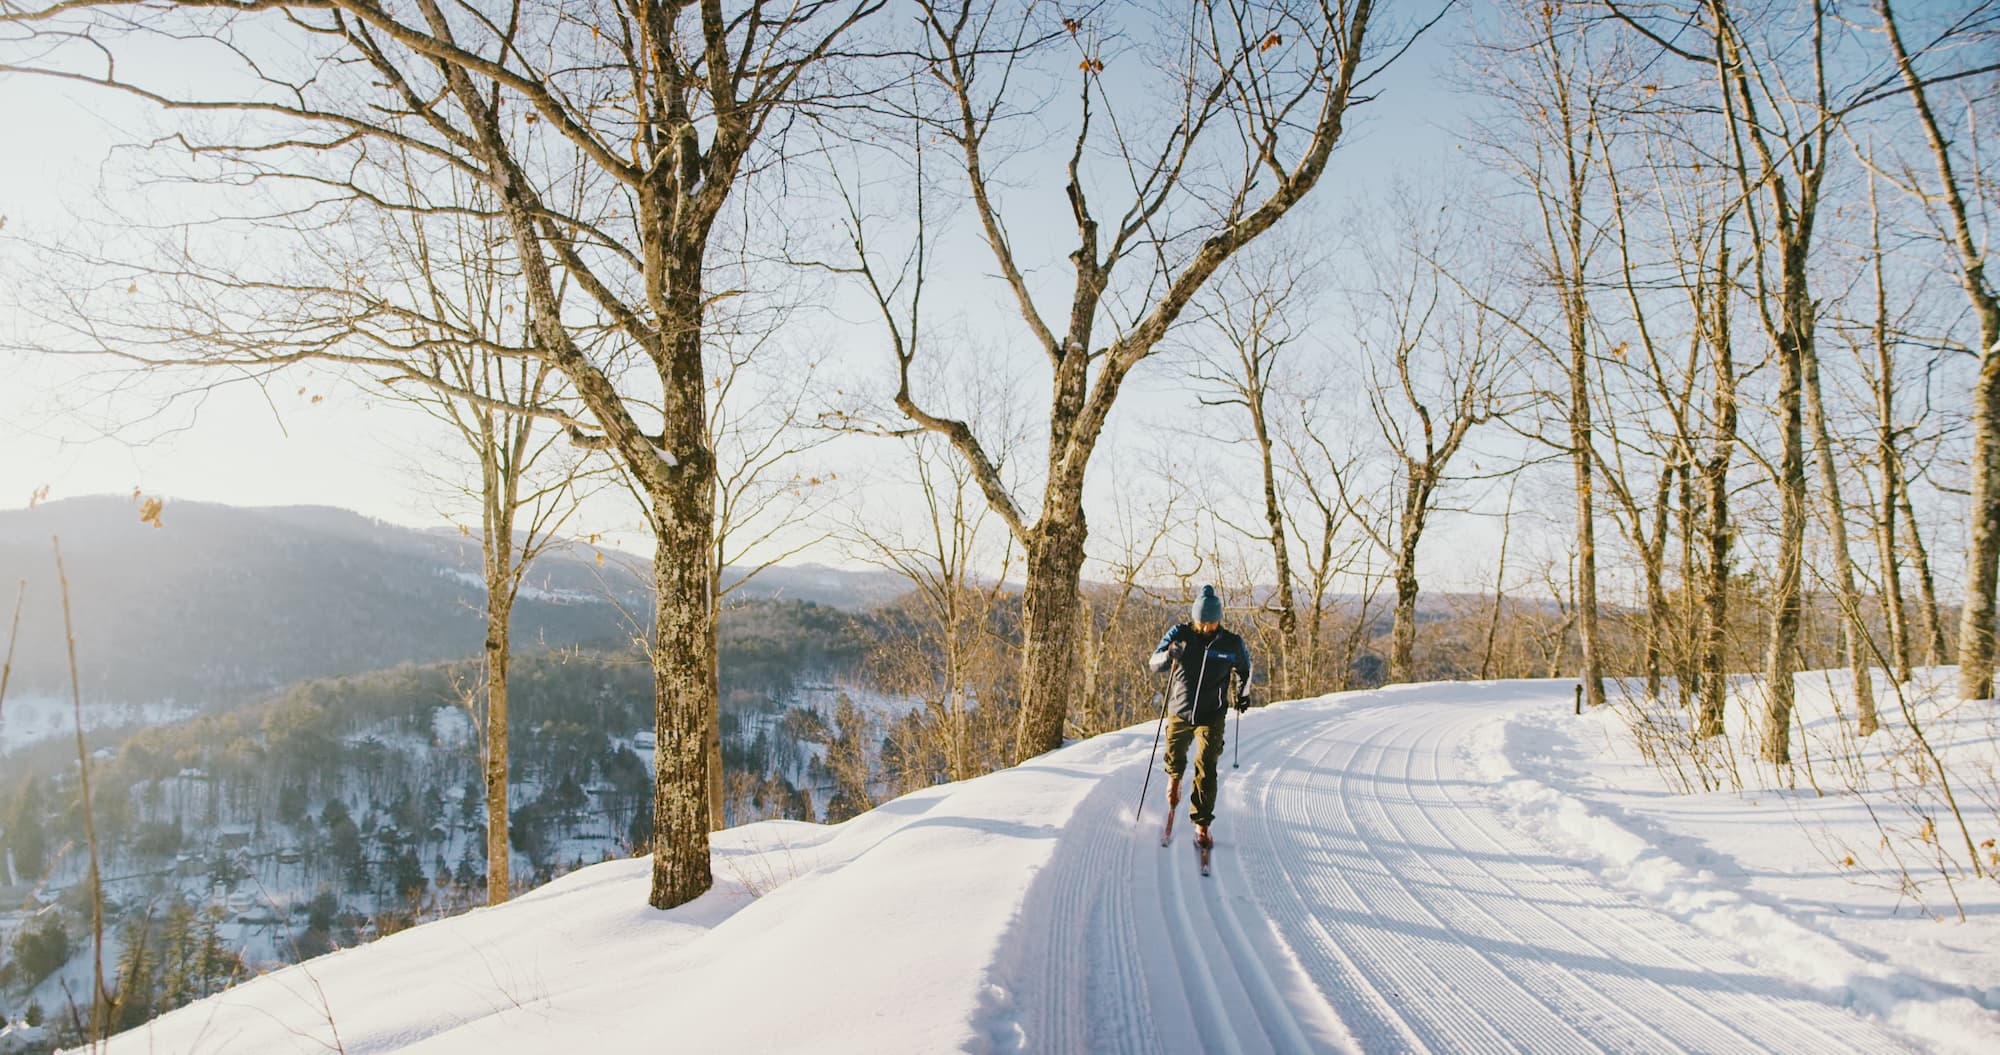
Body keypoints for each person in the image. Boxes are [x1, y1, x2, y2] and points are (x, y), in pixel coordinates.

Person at [1148, 584, 1252, 849]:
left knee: (1206, 767)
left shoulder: (1231, 642)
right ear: (1194, 618)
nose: (1206, 627)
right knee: (1175, 756)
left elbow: (1245, 669)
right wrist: (1168, 654)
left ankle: (1202, 824)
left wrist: (1243, 694)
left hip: (1212, 714)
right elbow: (1154, 663)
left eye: (1211, 622)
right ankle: (1174, 780)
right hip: (1180, 710)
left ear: (1219, 619)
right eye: (1201, 622)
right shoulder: (1180, 635)